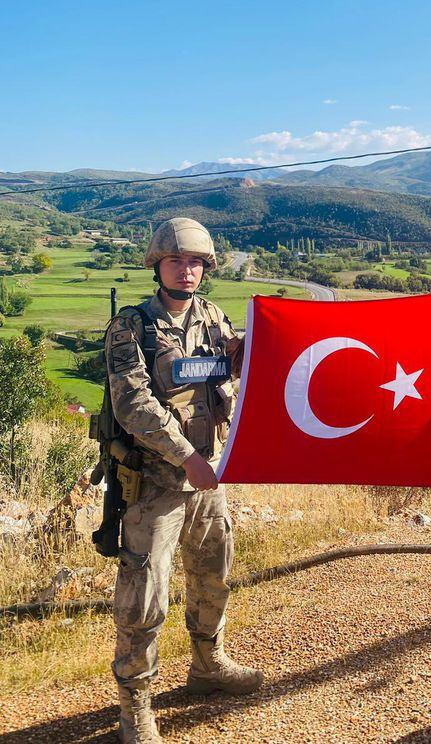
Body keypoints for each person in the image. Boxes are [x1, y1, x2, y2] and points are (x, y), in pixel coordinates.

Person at [105, 218, 262, 743]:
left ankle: (207, 666)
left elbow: (239, 372)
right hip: (156, 484)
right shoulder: (131, 327)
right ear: (157, 264)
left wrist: (255, 349)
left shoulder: (214, 320)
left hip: (209, 477)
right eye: (177, 261)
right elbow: (134, 405)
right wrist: (186, 456)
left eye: (195, 262)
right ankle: (137, 705)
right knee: (144, 598)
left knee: (214, 575)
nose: (187, 270)